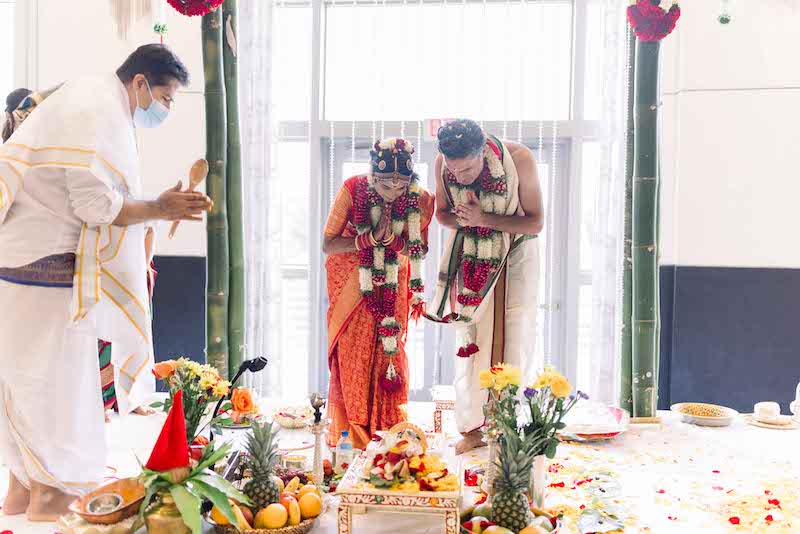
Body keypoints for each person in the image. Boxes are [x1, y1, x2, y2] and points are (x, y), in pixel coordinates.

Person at [0, 44, 212, 521]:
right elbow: (97, 208)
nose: (167, 108)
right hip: (47, 271)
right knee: (59, 387)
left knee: (22, 382)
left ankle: (20, 490)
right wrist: (160, 208)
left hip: (16, 265)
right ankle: (48, 499)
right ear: (139, 82)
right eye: (167, 96)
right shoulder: (101, 111)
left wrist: (158, 205)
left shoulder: (82, 94)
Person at [3, 87, 156, 424]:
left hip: (61, 269)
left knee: (66, 349)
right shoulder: (35, 157)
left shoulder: (45, 155)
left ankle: (98, 402)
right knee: (46, 358)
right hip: (42, 273)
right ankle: (81, 409)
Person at [427, 119, 543, 454]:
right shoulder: (443, 164)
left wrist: (485, 220)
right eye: (454, 170)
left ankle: (506, 426)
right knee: (471, 339)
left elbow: (535, 222)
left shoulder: (519, 158)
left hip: (516, 254)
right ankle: (473, 429)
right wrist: (467, 220)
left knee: (512, 336)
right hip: (471, 253)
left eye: (467, 169)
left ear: (483, 152)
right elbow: (444, 215)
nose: (460, 178)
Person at [322, 138, 435, 450]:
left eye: (401, 188)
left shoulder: (421, 200)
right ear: (373, 178)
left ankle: (388, 429)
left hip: (394, 280)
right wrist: (368, 240)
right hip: (352, 281)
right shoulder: (353, 189)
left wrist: (395, 245)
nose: (394, 194)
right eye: (386, 187)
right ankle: (355, 436)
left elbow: (420, 249)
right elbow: (328, 243)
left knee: (389, 350)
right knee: (353, 353)